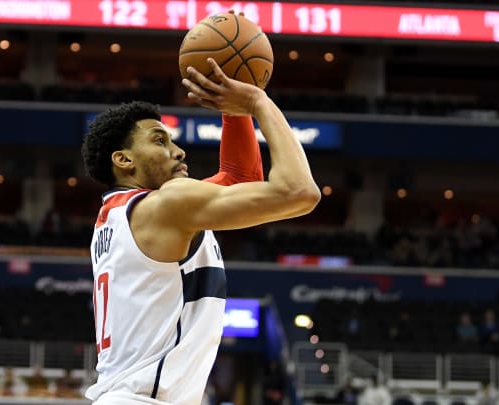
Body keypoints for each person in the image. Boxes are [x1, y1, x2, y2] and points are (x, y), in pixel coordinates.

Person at [80, 56, 320, 405]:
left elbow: (240, 181)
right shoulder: (168, 204)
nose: (179, 151)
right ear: (124, 160)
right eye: (160, 141)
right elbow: (300, 192)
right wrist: (258, 102)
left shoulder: (121, 216)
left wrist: (232, 109)